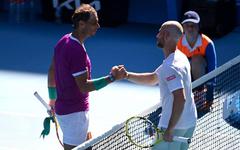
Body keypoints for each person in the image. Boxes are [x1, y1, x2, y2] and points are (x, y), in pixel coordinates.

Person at [47, 4, 126, 150]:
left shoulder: (63, 40)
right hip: (75, 114)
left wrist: (52, 99)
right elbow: (83, 86)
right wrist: (112, 78)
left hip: (64, 109)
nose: (98, 25)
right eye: (94, 23)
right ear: (81, 24)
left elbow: (52, 70)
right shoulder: (76, 50)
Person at [124, 21, 197, 150]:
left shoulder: (171, 67)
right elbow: (153, 78)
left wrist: (170, 128)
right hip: (189, 121)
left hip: (175, 126)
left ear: (166, 35)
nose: (157, 35)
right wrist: (126, 75)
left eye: (160, 32)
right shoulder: (180, 57)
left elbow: (180, 98)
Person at [177, 10, 217, 81]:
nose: (190, 28)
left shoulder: (207, 43)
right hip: (184, 80)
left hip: (202, 79)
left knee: (197, 60)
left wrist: (210, 88)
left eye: (193, 25)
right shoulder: (177, 43)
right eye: (187, 25)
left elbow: (212, 68)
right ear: (182, 27)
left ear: (199, 26)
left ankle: (199, 90)